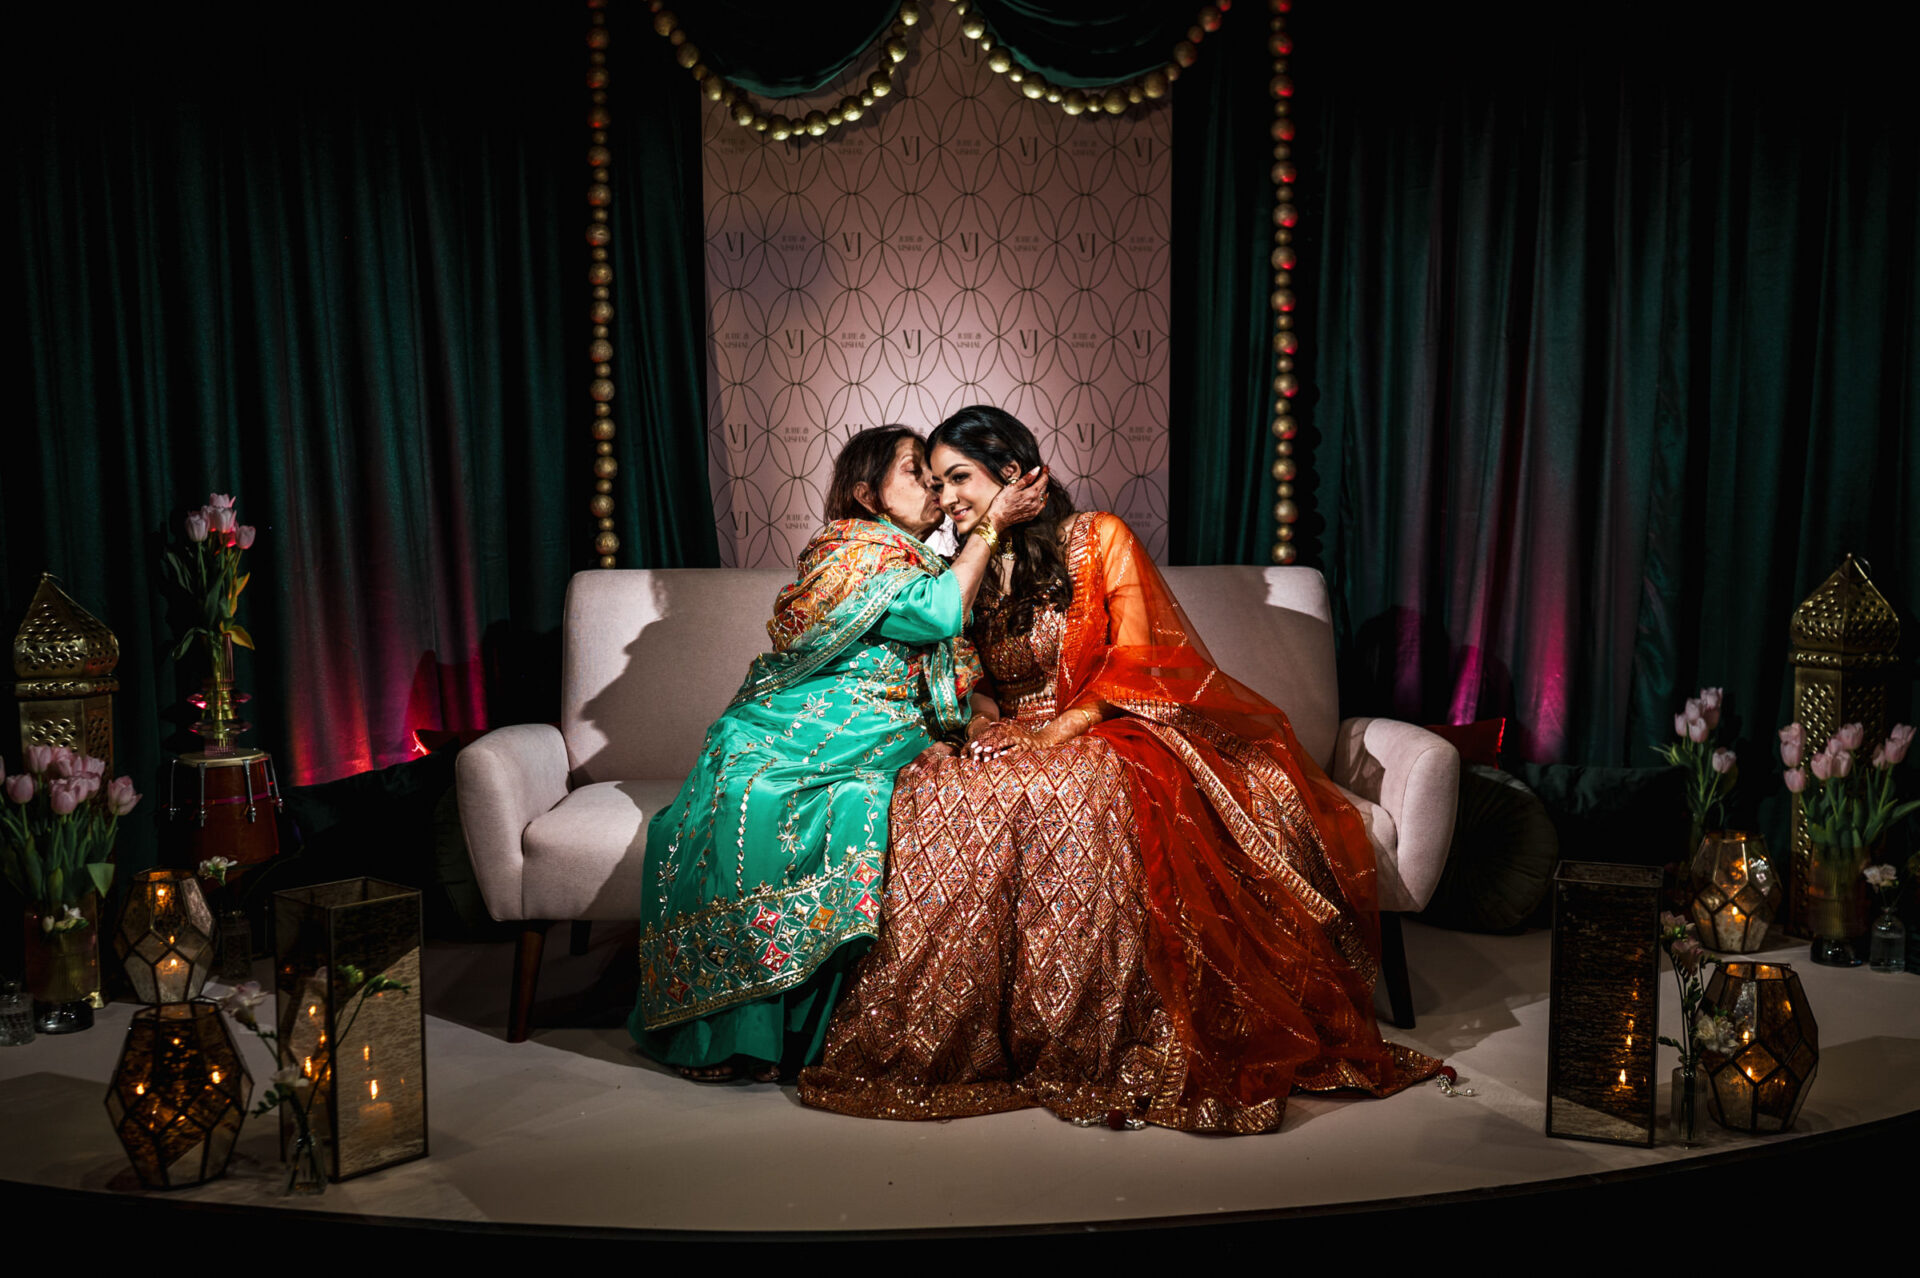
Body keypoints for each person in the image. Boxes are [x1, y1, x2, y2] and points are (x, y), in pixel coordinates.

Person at [798, 406, 1441, 1132]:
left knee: (1078, 786)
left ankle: (1090, 1028)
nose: (946, 499)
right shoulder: (964, 570)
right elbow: (968, 679)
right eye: (936, 484)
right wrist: (984, 727)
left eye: (959, 478)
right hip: (1018, 734)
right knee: (937, 791)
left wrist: (1057, 731)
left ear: (1013, 474)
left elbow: (1140, 661)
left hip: (1112, 721)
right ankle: (962, 1030)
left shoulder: (1098, 537)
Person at [630, 425, 1047, 1081]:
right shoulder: (847, 554)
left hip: (879, 738)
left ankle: (798, 1036)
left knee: (859, 802)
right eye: (914, 469)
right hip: (795, 729)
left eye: (938, 474)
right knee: (752, 798)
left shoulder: (927, 567)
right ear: (866, 495)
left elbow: (956, 669)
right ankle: (725, 1032)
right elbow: (939, 615)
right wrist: (991, 525)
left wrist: (982, 722)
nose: (933, 485)